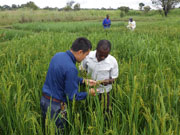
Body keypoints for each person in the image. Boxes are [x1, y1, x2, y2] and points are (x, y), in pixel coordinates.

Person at [40, 37, 98, 131]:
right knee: (58, 131)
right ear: (80, 52)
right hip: (56, 106)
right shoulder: (71, 68)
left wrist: (83, 81)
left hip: (44, 101)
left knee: (46, 129)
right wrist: (88, 93)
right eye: (86, 55)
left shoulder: (58, 55)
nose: (85, 58)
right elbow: (72, 96)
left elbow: (62, 77)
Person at [80, 40, 119, 113]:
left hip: (104, 91)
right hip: (89, 90)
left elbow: (114, 78)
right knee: (88, 109)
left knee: (105, 111)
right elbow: (82, 69)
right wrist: (86, 81)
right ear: (96, 50)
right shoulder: (88, 56)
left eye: (105, 55)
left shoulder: (112, 61)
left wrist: (108, 81)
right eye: (100, 54)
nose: (103, 57)